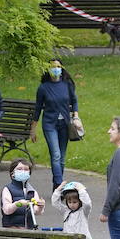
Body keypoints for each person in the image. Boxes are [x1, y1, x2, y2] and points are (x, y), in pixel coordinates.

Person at [29, 59, 78, 190]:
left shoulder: (67, 84)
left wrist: (76, 116)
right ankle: (59, 184)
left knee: (62, 157)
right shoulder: (43, 88)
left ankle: (56, 185)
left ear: (61, 68)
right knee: (55, 155)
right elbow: (38, 108)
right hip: (50, 124)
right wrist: (33, 129)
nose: (55, 69)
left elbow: (74, 101)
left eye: (58, 66)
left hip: (65, 124)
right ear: (48, 69)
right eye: (52, 67)